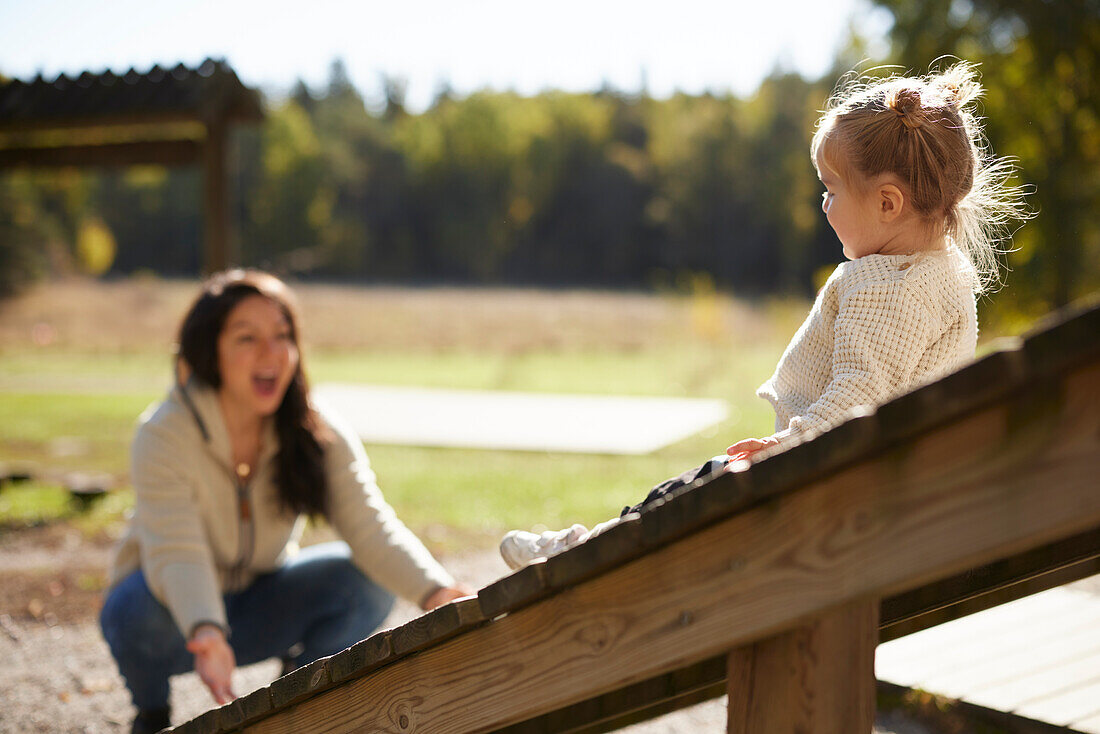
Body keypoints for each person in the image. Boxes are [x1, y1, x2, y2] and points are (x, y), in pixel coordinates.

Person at [500, 61, 1029, 570]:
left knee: (687, 497)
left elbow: (858, 398)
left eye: (831, 189)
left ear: (888, 203)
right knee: (689, 498)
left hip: (829, 490)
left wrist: (788, 445)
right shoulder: (944, 274)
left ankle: (583, 554)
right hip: (879, 492)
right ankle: (588, 546)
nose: (824, 205)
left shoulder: (888, 285)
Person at [100, 270, 469, 734]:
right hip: (172, 615)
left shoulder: (317, 430)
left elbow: (370, 523)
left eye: (283, 336)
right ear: (210, 349)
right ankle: (151, 712)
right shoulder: (163, 432)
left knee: (364, 582)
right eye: (247, 338)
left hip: (260, 600)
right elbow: (177, 550)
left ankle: (294, 703)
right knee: (128, 609)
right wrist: (206, 630)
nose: (272, 353)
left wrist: (438, 591)